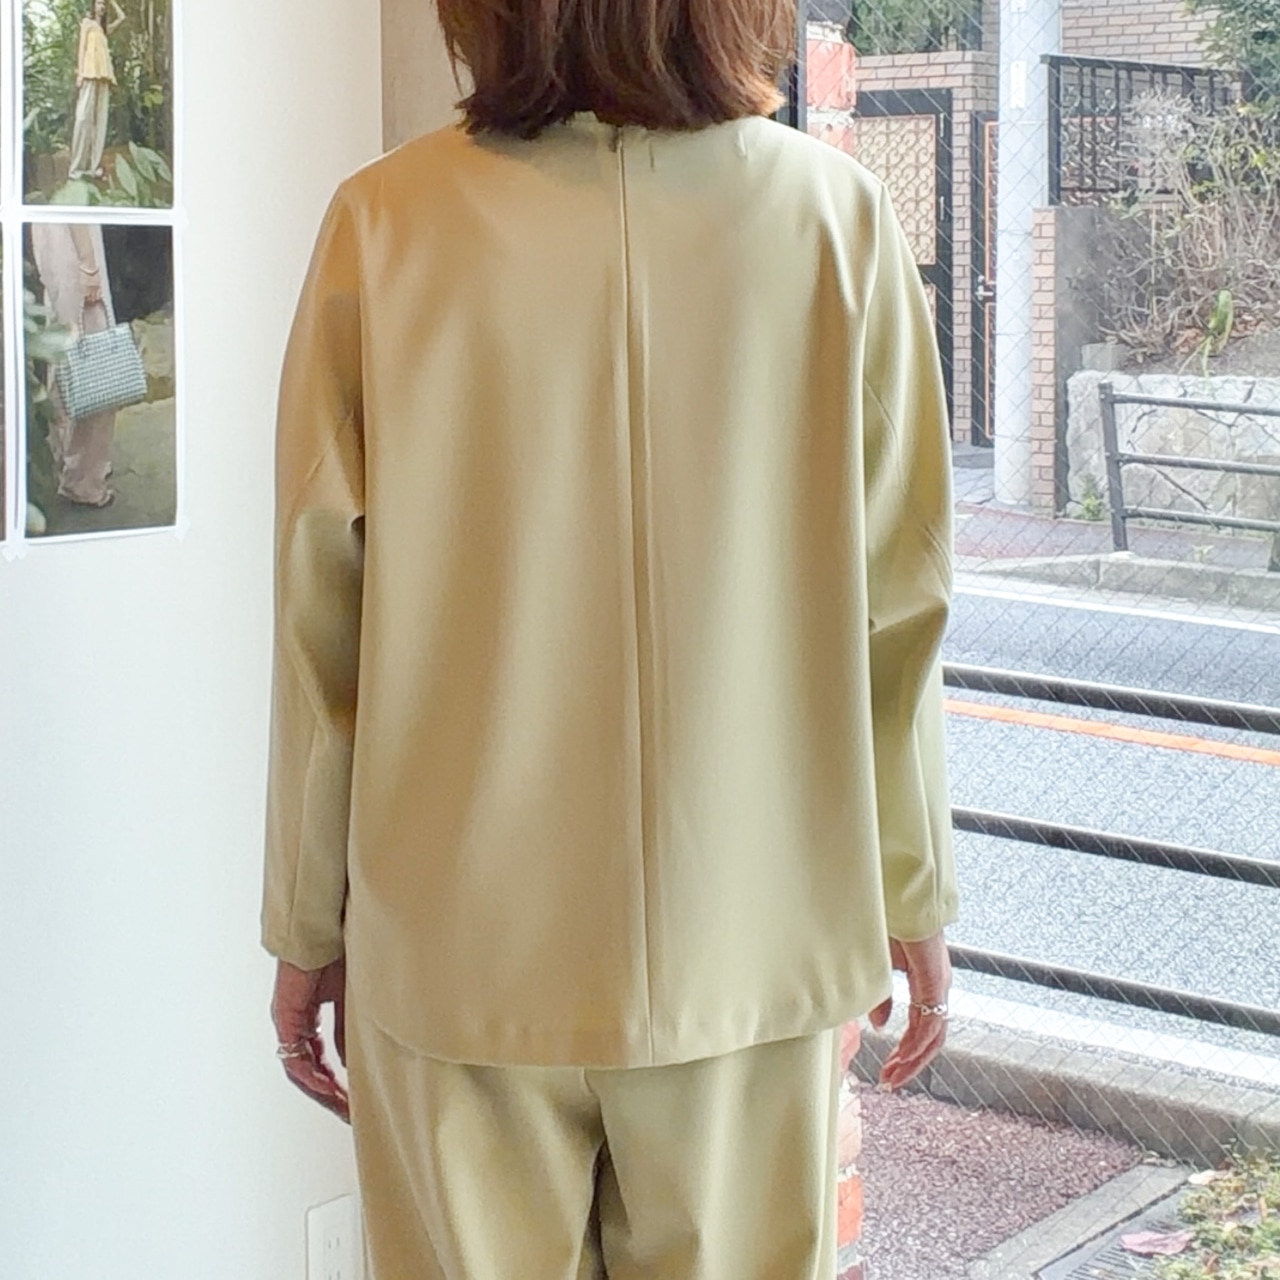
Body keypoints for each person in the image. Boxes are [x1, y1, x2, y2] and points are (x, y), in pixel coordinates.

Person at [263, 0, 958, 1274]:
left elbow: (323, 621)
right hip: (749, 935)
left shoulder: (384, 223)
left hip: (458, 938)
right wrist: (909, 889)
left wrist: (306, 922)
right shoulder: (836, 222)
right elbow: (897, 607)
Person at [31, 222, 116, 508]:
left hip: (53, 236)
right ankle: (83, 478)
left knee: (66, 350)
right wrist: (88, 264)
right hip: (73, 241)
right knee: (93, 361)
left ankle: (69, 459)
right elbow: (73, 202)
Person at [69, 0, 126, 181]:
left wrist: (112, 2)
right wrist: (80, 73)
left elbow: (122, 17)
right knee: (82, 118)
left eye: (103, 4)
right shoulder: (88, 24)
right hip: (89, 73)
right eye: (99, 3)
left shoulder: (103, 29)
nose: (101, 6)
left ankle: (94, 168)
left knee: (100, 122)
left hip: (104, 76)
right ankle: (76, 169)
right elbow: (82, 49)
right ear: (93, 6)